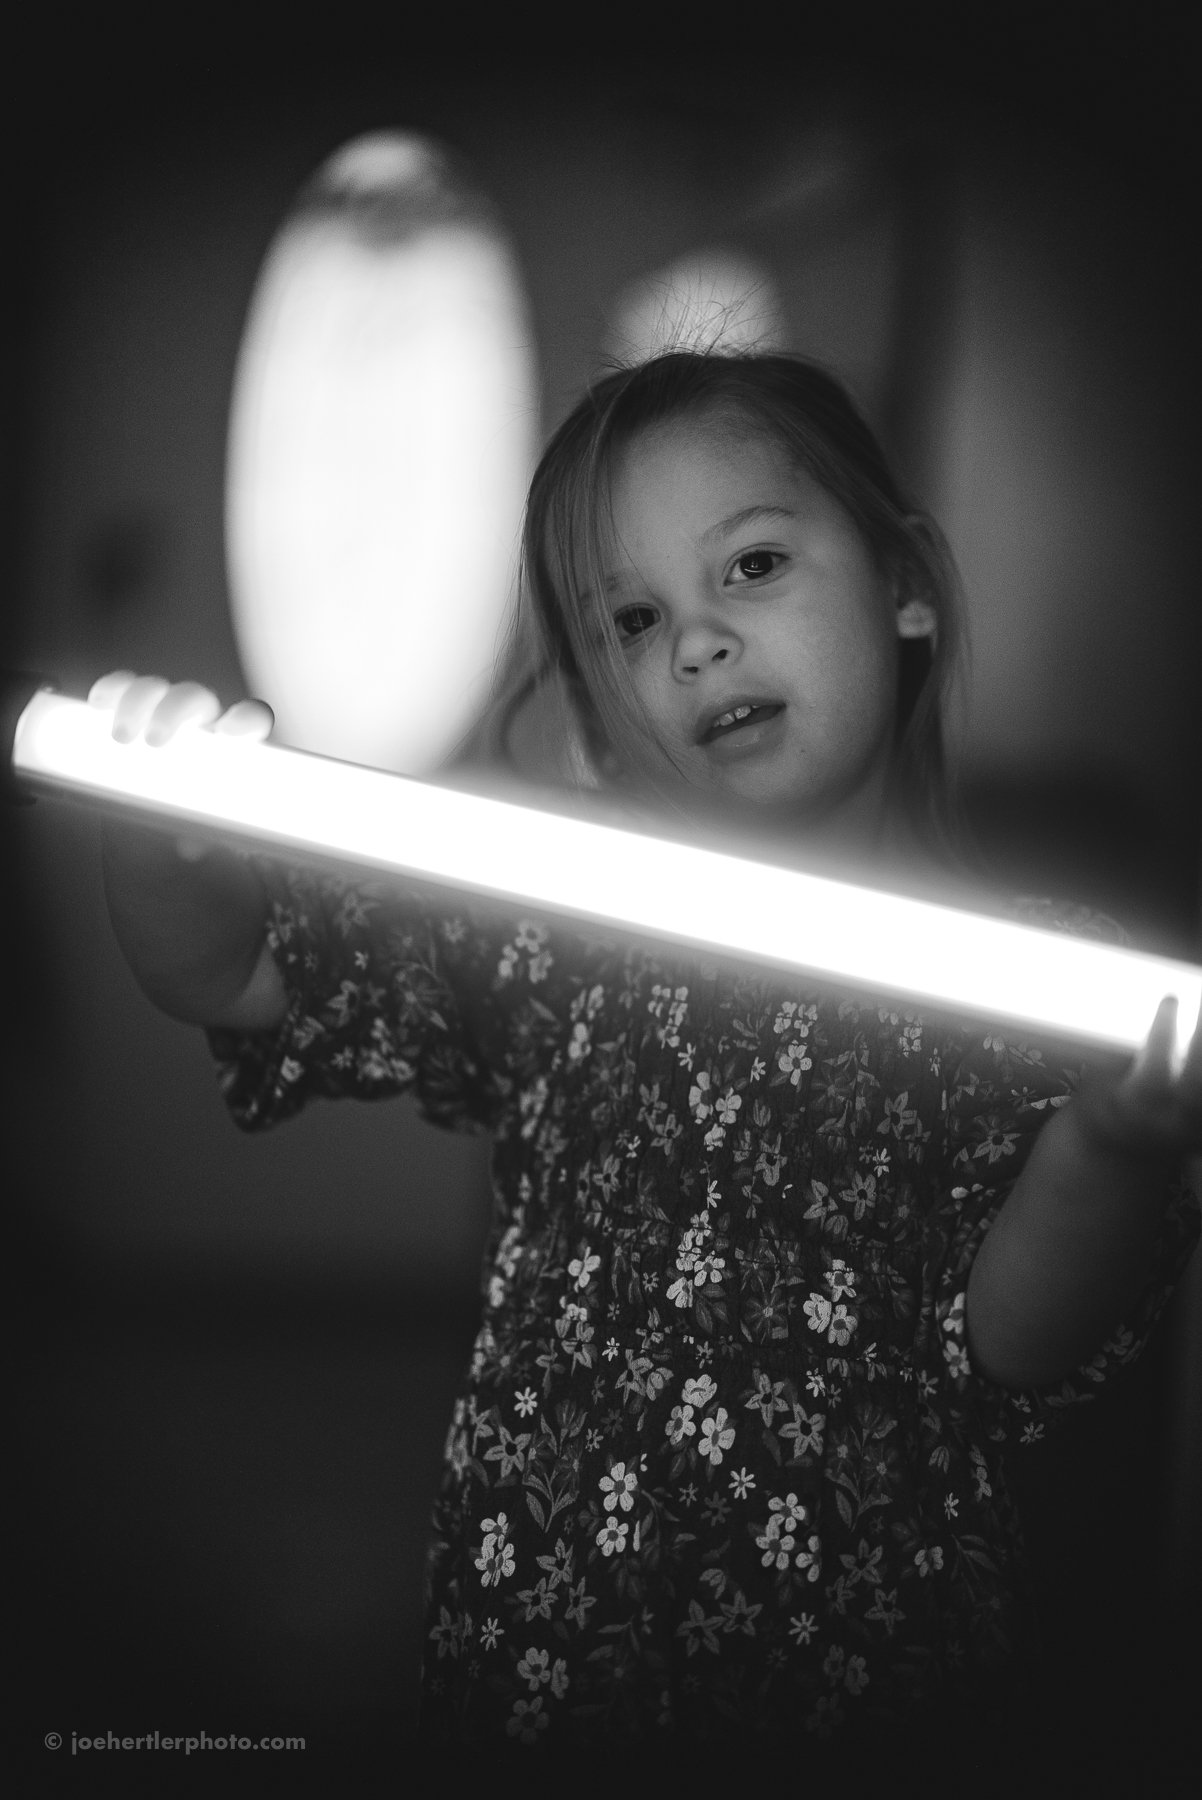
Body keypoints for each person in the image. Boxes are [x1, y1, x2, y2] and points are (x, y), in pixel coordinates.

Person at [92, 350, 1199, 1782]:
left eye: (749, 565)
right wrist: (164, 827)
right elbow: (236, 977)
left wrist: (1111, 1149)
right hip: (542, 1665)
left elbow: (1012, 1349)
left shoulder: (1039, 983)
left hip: (864, 1682)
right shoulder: (563, 934)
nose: (694, 644)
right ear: (600, 707)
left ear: (903, 582)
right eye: (632, 618)